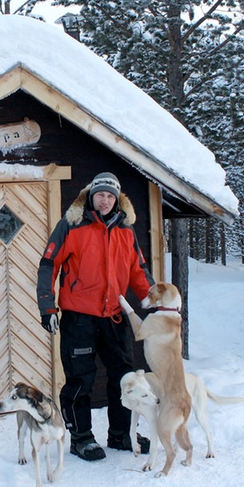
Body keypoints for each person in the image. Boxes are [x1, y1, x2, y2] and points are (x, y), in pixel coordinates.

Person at [36, 172, 153, 461]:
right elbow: (48, 265)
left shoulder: (126, 230)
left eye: (110, 196)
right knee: (80, 380)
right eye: (100, 194)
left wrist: (155, 303)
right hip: (79, 319)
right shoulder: (72, 225)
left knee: (124, 378)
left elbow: (139, 270)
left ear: (117, 199)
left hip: (114, 317)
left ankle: (121, 435)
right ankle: (81, 438)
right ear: (91, 196)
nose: (104, 200)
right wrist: (47, 306)